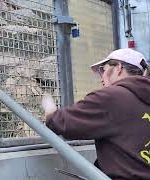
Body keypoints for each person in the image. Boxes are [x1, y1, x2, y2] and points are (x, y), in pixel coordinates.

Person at [41, 48, 150, 180]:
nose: (101, 77)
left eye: (103, 69)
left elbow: (62, 123)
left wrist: (49, 107)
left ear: (119, 68)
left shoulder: (112, 97)